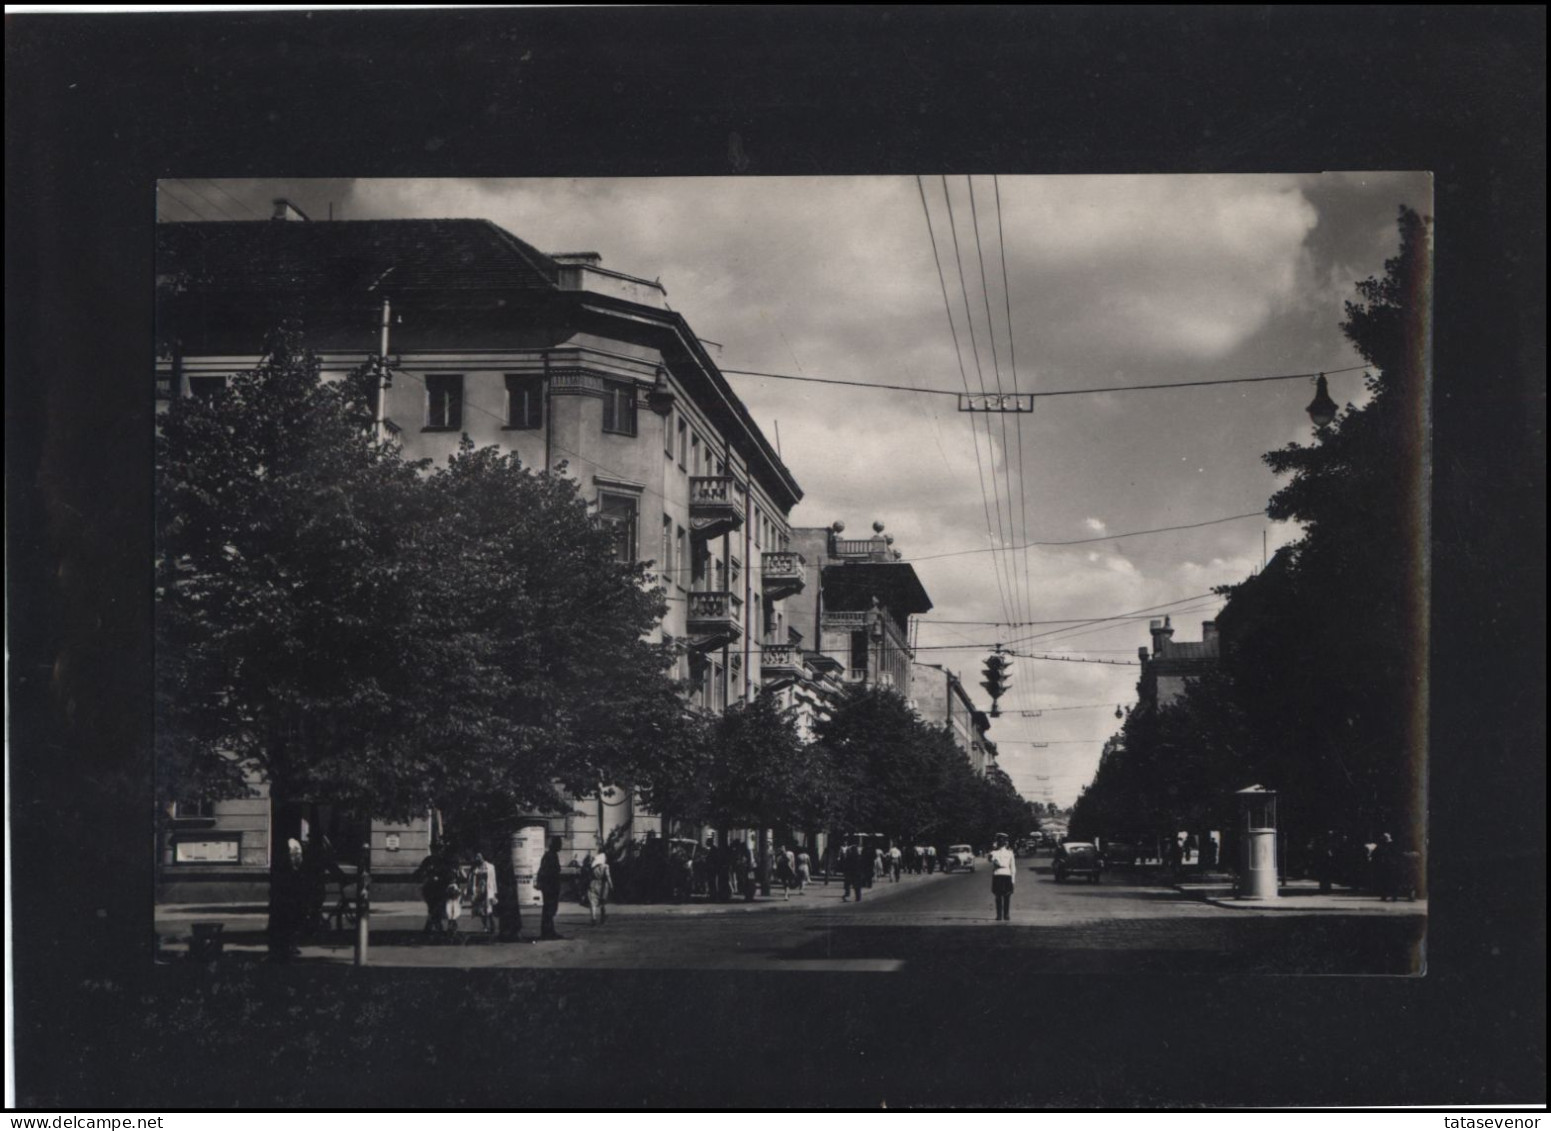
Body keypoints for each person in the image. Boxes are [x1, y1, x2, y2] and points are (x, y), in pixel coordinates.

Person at [536, 836, 565, 940]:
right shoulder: (550, 856)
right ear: (555, 845)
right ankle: (547, 932)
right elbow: (547, 872)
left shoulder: (551, 855)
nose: (561, 846)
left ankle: (549, 931)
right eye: (559, 844)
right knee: (549, 910)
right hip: (550, 887)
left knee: (550, 910)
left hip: (551, 887)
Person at [467, 851, 499, 937]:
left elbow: (493, 880)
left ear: (483, 857)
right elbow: (470, 881)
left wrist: (495, 893)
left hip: (488, 891)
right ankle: (485, 926)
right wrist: (470, 891)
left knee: (489, 910)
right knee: (481, 911)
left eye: (479, 856)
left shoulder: (490, 867)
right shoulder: (474, 868)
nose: (477, 858)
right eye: (476, 857)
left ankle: (492, 926)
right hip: (478, 891)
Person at [989, 833, 1017, 921]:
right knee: (998, 896)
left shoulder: (1010, 853)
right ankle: (999, 915)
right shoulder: (993, 853)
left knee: (1006, 896)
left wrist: (1013, 879)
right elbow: (990, 859)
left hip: (1006, 874)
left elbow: (1013, 867)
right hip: (998, 874)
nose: (1001, 842)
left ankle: (1006, 914)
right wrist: (993, 849)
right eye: (999, 840)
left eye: (1003, 840)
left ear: (1006, 842)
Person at [583, 848, 613, 925]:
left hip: (593, 883)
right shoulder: (605, 866)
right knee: (602, 901)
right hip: (603, 885)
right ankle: (603, 917)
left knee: (593, 902)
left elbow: (588, 876)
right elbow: (608, 876)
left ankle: (593, 918)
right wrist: (611, 885)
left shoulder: (593, 867)